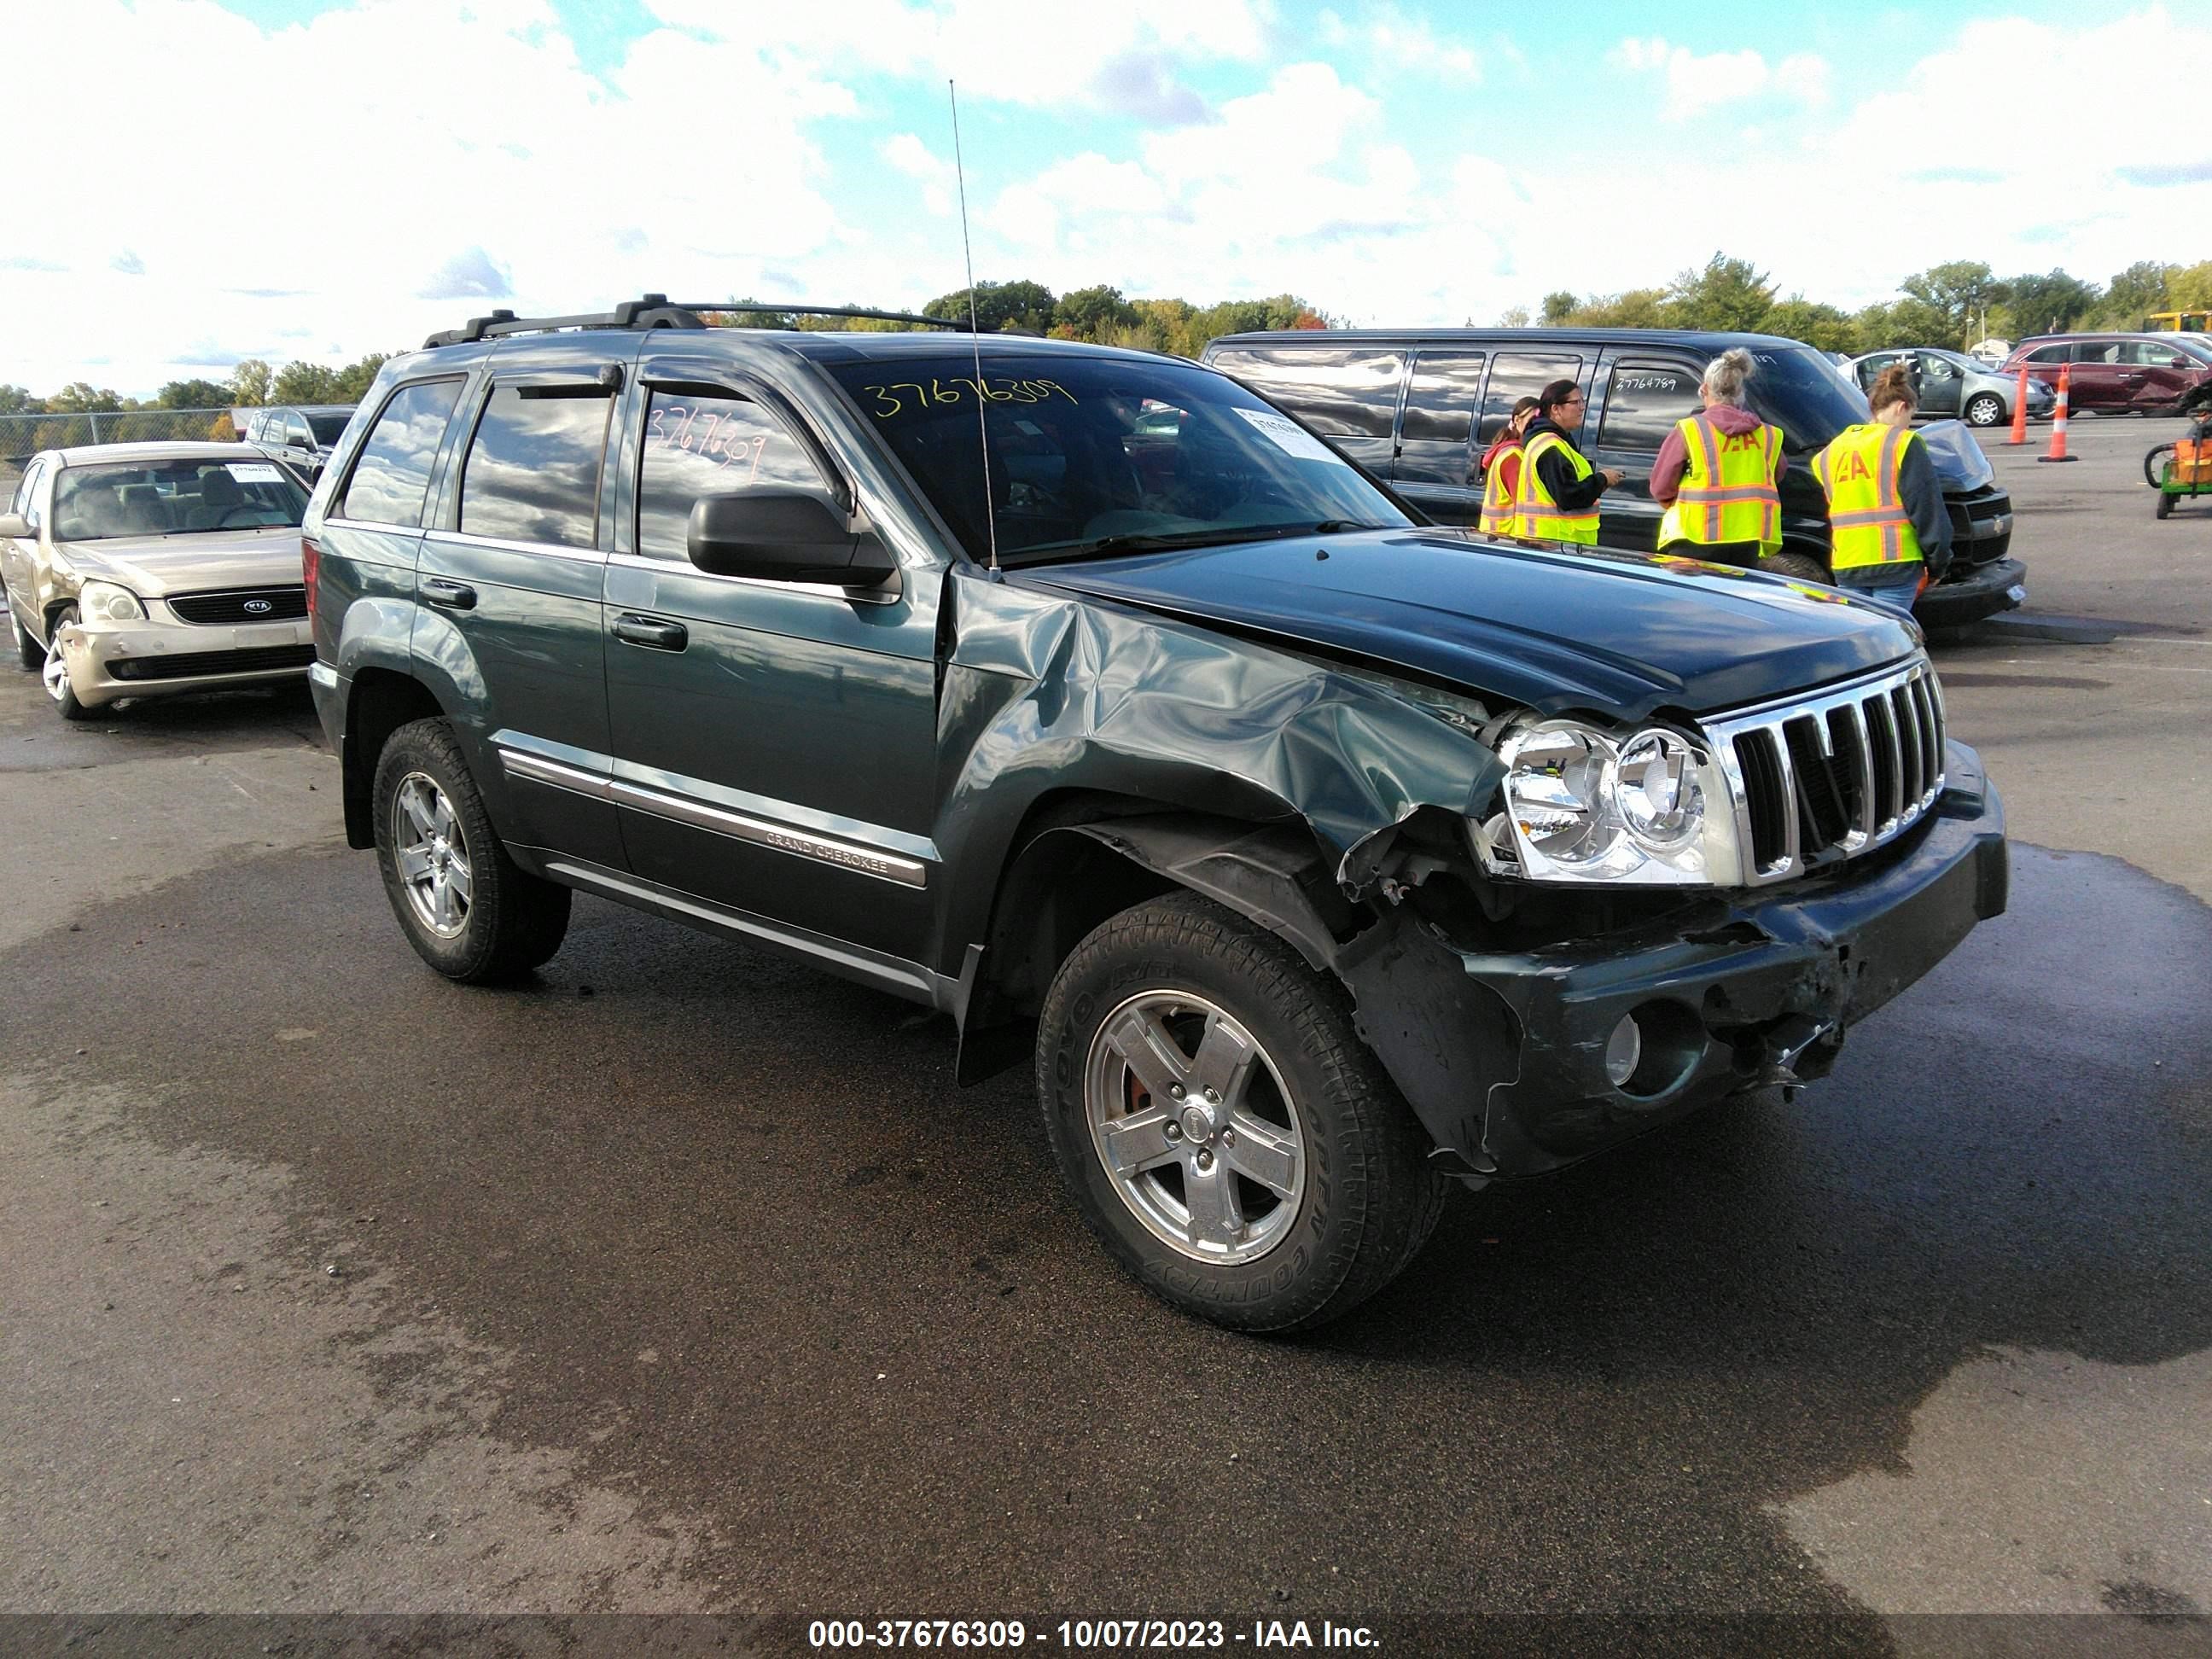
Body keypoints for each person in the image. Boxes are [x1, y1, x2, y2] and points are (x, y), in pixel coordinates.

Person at [1812, 364, 1951, 613]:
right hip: (1897, 565)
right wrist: (1939, 564)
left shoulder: (1829, 453)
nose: (1909, 424)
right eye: (1910, 416)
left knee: (1861, 638)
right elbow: (1928, 512)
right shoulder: (1903, 444)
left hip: (1848, 564)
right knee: (1890, 637)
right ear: (1901, 407)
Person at [1650, 348, 1784, 568]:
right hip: (1746, 540)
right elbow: (1776, 474)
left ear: (1704, 389)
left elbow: (1661, 487)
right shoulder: (1769, 434)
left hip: (1694, 539)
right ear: (1741, 392)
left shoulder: (1691, 430)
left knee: (1690, 603)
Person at [1514, 379, 1622, 544]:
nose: (1582, 407)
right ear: (1556, 409)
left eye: (1582, 401)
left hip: (1555, 543)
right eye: (1575, 402)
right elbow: (1568, 496)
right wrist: (1602, 479)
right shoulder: (1550, 446)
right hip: (1554, 543)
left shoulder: (1556, 442)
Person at [1476, 397, 1540, 535]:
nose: (1537, 425)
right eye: (1532, 419)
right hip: (1507, 536)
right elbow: (1524, 504)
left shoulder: (1510, 450)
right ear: (1517, 420)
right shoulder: (1514, 456)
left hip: (1498, 534)